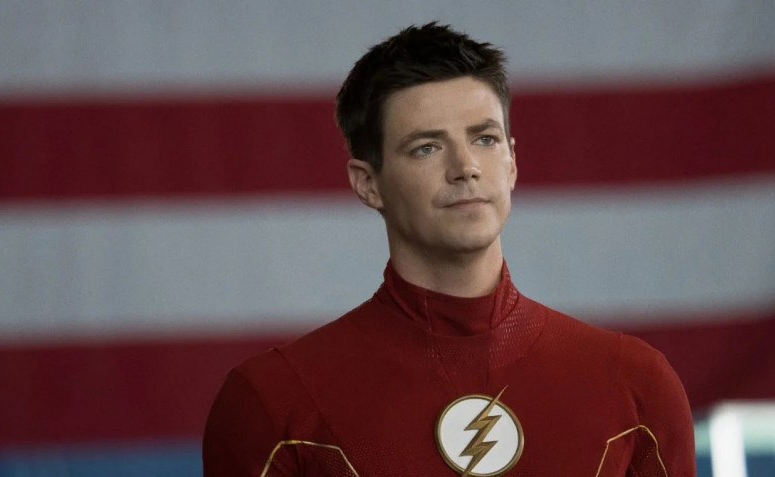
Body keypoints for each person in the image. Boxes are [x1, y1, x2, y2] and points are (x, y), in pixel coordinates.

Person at [203, 22, 696, 476]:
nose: (465, 168)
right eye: (426, 147)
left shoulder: (635, 386)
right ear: (368, 183)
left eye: (485, 138)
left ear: (512, 163)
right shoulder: (274, 402)